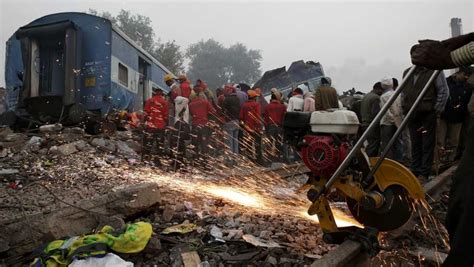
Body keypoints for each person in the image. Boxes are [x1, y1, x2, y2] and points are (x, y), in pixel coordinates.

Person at [410, 32, 474, 267]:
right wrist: (451, 45)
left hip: (429, 114)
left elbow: (444, 94)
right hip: (415, 116)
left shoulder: (436, 74)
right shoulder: (410, 73)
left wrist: (451, 57)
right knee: (460, 200)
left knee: (467, 202)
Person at [402, 66, 449, 182]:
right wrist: (404, 108)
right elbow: (403, 93)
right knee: (415, 143)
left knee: (427, 144)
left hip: (427, 113)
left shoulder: (435, 70)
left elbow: (443, 91)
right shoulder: (407, 72)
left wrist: (436, 110)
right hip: (412, 114)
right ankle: (415, 169)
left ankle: (424, 172)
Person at [438, 68, 472, 165]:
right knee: (440, 141)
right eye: (465, 75)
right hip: (444, 116)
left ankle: (450, 160)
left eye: (468, 76)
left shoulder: (468, 87)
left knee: (454, 141)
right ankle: (439, 161)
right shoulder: (445, 82)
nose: (466, 77)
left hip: (458, 119)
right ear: (458, 73)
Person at [188, 87, 215, 169]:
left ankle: (195, 162)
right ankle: (205, 164)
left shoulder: (191, 104)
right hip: (204, 125)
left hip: (195, 125)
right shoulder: (205, 102)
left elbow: (191, 114)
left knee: (195, 144)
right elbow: (212, 112)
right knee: (204, 145)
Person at [379, 78, 403, 162]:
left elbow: (385, 111)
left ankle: (389, 162)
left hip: (386, 123)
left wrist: (391, 119)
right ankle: (399, 161)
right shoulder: (399, 94)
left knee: (387, 145)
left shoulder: (383, 97)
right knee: (398, 143)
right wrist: (397, 120)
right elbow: (400, 108)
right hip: (398, 122)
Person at [143, 87, 169, 166]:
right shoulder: (164, 102)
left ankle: (145, 160)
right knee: (159, 145)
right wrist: (166, 125)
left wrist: (144, 122)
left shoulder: (149, 100)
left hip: (150, 126)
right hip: (160, 127)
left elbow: (146, 113)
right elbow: (166, 116)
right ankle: (157, 162)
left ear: (154, 92)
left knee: (148, 143)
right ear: (161, 93)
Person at [240, 89, 263, 165]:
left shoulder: (244, 105)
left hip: (247, 128)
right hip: (256, 128)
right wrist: (259, 127)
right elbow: (258, 117)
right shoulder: (257, 105)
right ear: (254, 97)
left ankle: (250, 161)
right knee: (257, 145)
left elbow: (241, 117)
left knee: (249, 145)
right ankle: (259, 161)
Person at [360, 82, 384, 157]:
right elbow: (376, 114)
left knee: (369, 145)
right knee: (373, 146)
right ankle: (370, 164)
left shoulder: (366, 96)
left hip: (364, 124)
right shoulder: (375, 98)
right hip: (371, 125)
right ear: (379, 89)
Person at [264, 92, 287, 162]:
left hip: (270, 127)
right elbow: (284, 118)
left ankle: (270, 158)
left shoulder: (267, 107)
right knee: (279, 142)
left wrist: (266, 128)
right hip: (279, 127)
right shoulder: (283, 106)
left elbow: (266, 118)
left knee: (270, 143)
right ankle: (279, 157)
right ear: (278, 98)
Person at [170, 96, 190, 171]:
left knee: (178, 143)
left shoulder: (179, 99)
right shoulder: (178, 103)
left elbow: (186, 99)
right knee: (179, 143)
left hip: (181, 123)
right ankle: (179, 161)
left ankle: (179, 162)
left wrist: (183, 110)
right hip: (180, 123)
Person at [222, 85, 241, 165]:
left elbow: (223, 110)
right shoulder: (237, 99)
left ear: (230, 91)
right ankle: (236, 160)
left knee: (229, 142)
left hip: (229, 121)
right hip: (236, 121)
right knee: (235, 141)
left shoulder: (227, 99)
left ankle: (230, 161)